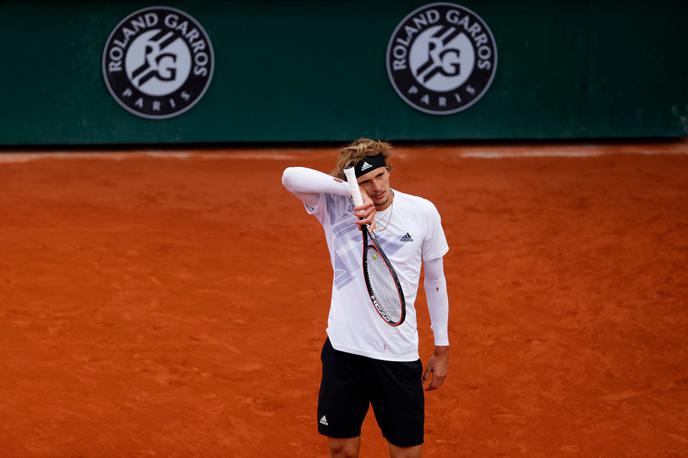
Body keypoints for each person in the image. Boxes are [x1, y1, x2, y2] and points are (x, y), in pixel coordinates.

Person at [281, 138, 450, 458]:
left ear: (389, 171)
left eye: (380, 176)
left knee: (406, 453)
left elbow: (436, 280)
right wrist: (349, 192)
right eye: (365, 182)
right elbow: (290, 176)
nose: (376, 188)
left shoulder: (422, 212)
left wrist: (441, 348)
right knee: (341, 449)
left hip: (398, 355)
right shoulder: (334, 206)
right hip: (344, 351)